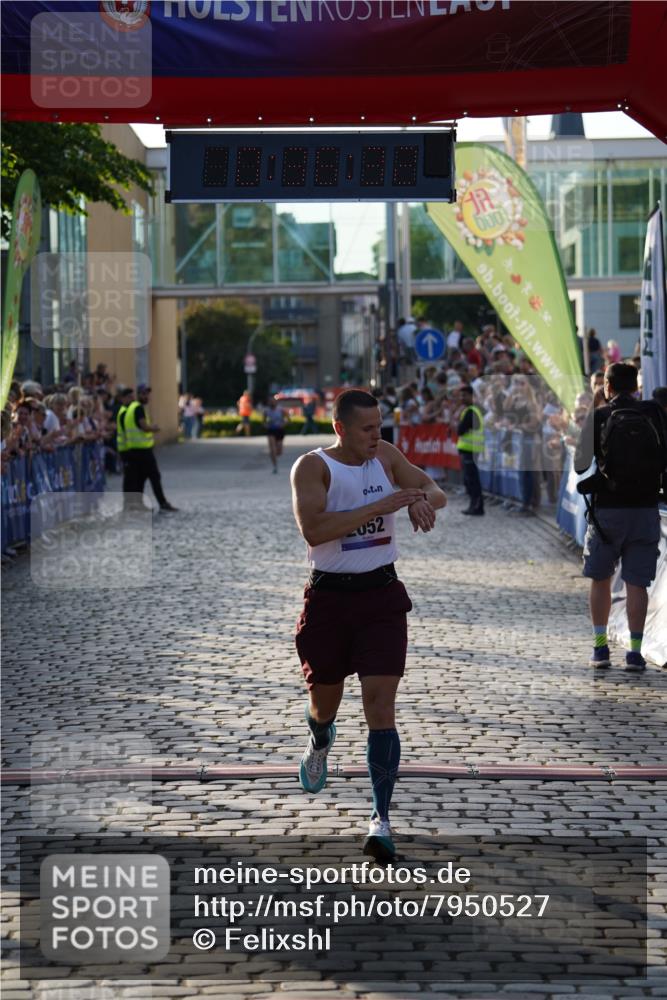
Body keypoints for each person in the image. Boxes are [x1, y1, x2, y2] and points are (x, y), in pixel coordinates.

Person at [290, 388, 446, 861]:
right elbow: (314, 529)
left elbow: (436, 490)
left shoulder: (387, 456)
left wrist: (420, 498)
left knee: (381, 707)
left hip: (381, 597)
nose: (377, 435)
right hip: (329, 600)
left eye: (380, 425)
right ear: (340, 429)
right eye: (367, 428)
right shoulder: (313, 467)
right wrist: (380, 508)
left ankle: (381, 818)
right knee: (325, 704)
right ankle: (320, 738)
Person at [575, 363, 667, 672]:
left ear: (607, 388)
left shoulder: (600, 415)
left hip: (608, 512)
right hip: (645, 510)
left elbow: (579, 464)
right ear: (636, 387)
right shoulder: (653, 414)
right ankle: (635, 653)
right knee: (636, 583)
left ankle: (600, 650)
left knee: (600, 579)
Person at [123, 384, 178, 512]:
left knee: (140, 478)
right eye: (144, 394)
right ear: (139, 395)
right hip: (142, 451)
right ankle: (162, 503)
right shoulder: (138, 408)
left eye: (147, 394)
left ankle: (139, 504)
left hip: (135, 449)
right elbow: (143, 426)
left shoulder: (132, 408)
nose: (147, 396)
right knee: (154, 476)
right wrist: (154, 428)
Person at [454, 385, 485, 516]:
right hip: (470, 450)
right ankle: (474, 505)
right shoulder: (470, 410)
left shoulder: (471, 411)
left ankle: (477, 506)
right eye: (461, 395)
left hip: (470, 450)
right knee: (470, 479)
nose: (462, 398)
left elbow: (460, 430)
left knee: (472, 480)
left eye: (464, 395)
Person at [264, 396, 286, 473]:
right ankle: (275, 466)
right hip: (271, 430)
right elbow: (263, 421)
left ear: (276, 402)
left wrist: (283, 424)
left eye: (273, 401)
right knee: (272, 449)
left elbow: (288, 420)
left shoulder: (281, 410)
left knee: (279, 451)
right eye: (270, 402)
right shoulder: (266, 410)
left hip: (279, 430)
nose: (272, 403)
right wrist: (265, 425)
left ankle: (273, 455)